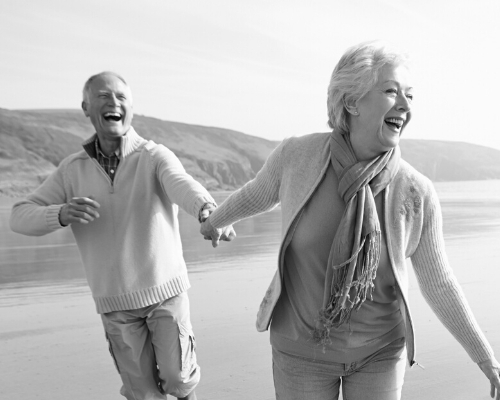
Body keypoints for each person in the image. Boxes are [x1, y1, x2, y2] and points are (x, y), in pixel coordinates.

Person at [200, 41, 500, 400]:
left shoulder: (416, 191)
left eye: (410, 95)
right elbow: (256, 195)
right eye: (391, 91)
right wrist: (214, 221)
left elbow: (440, 284)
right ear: (351, 102)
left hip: (380, 353)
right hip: (299, 351)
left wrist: (487, 360)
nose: (405, 105)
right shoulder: (298, 156)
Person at [10, 71, 234, 400]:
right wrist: (58, 213)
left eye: (121, 97)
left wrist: (207, 210)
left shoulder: (154, 156)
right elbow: (18, 216)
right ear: (86, 107)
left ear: (131, 108)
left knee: (179, 379)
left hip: (165, 294)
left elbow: (182, 184)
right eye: (103, 97)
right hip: (115, 305)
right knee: (141, 393)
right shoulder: (72, 170)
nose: (113, 102)